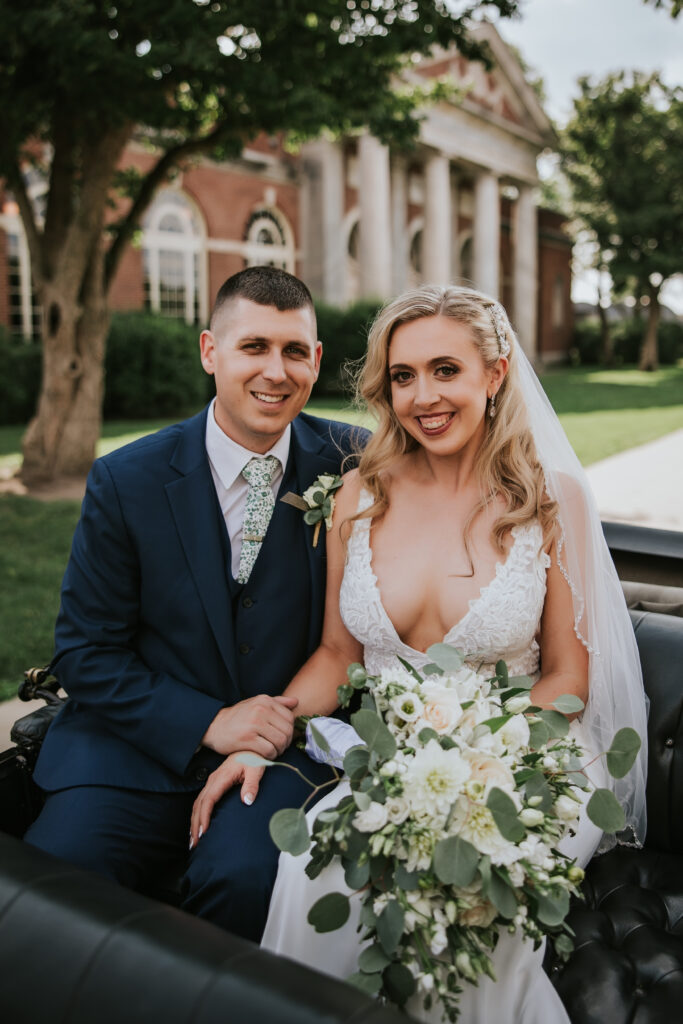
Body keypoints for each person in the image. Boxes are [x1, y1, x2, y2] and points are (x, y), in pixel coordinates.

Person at [190, 285, 648, 1023]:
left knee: (460, 892)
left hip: (531, 759)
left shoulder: (549, 496)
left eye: (445, 370)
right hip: (399, 767)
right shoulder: (356, 495)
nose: (421, 396)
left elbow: (567, 677)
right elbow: (338, 655)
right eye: (402, 376)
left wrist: (480, 760)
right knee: (313, 874)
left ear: (493, 375)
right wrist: (262, 729)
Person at [24, 266, 365, 942]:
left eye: (294, 351)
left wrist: (268, 732)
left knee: (246, 885)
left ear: (316, 360)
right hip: (128, 750)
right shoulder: (128, 478)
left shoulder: (357, 464)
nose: (276, 370)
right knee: (56, 885)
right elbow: (84, 652)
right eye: (254, 347)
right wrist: (209, 723)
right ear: (210, 351)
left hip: (283, 755)